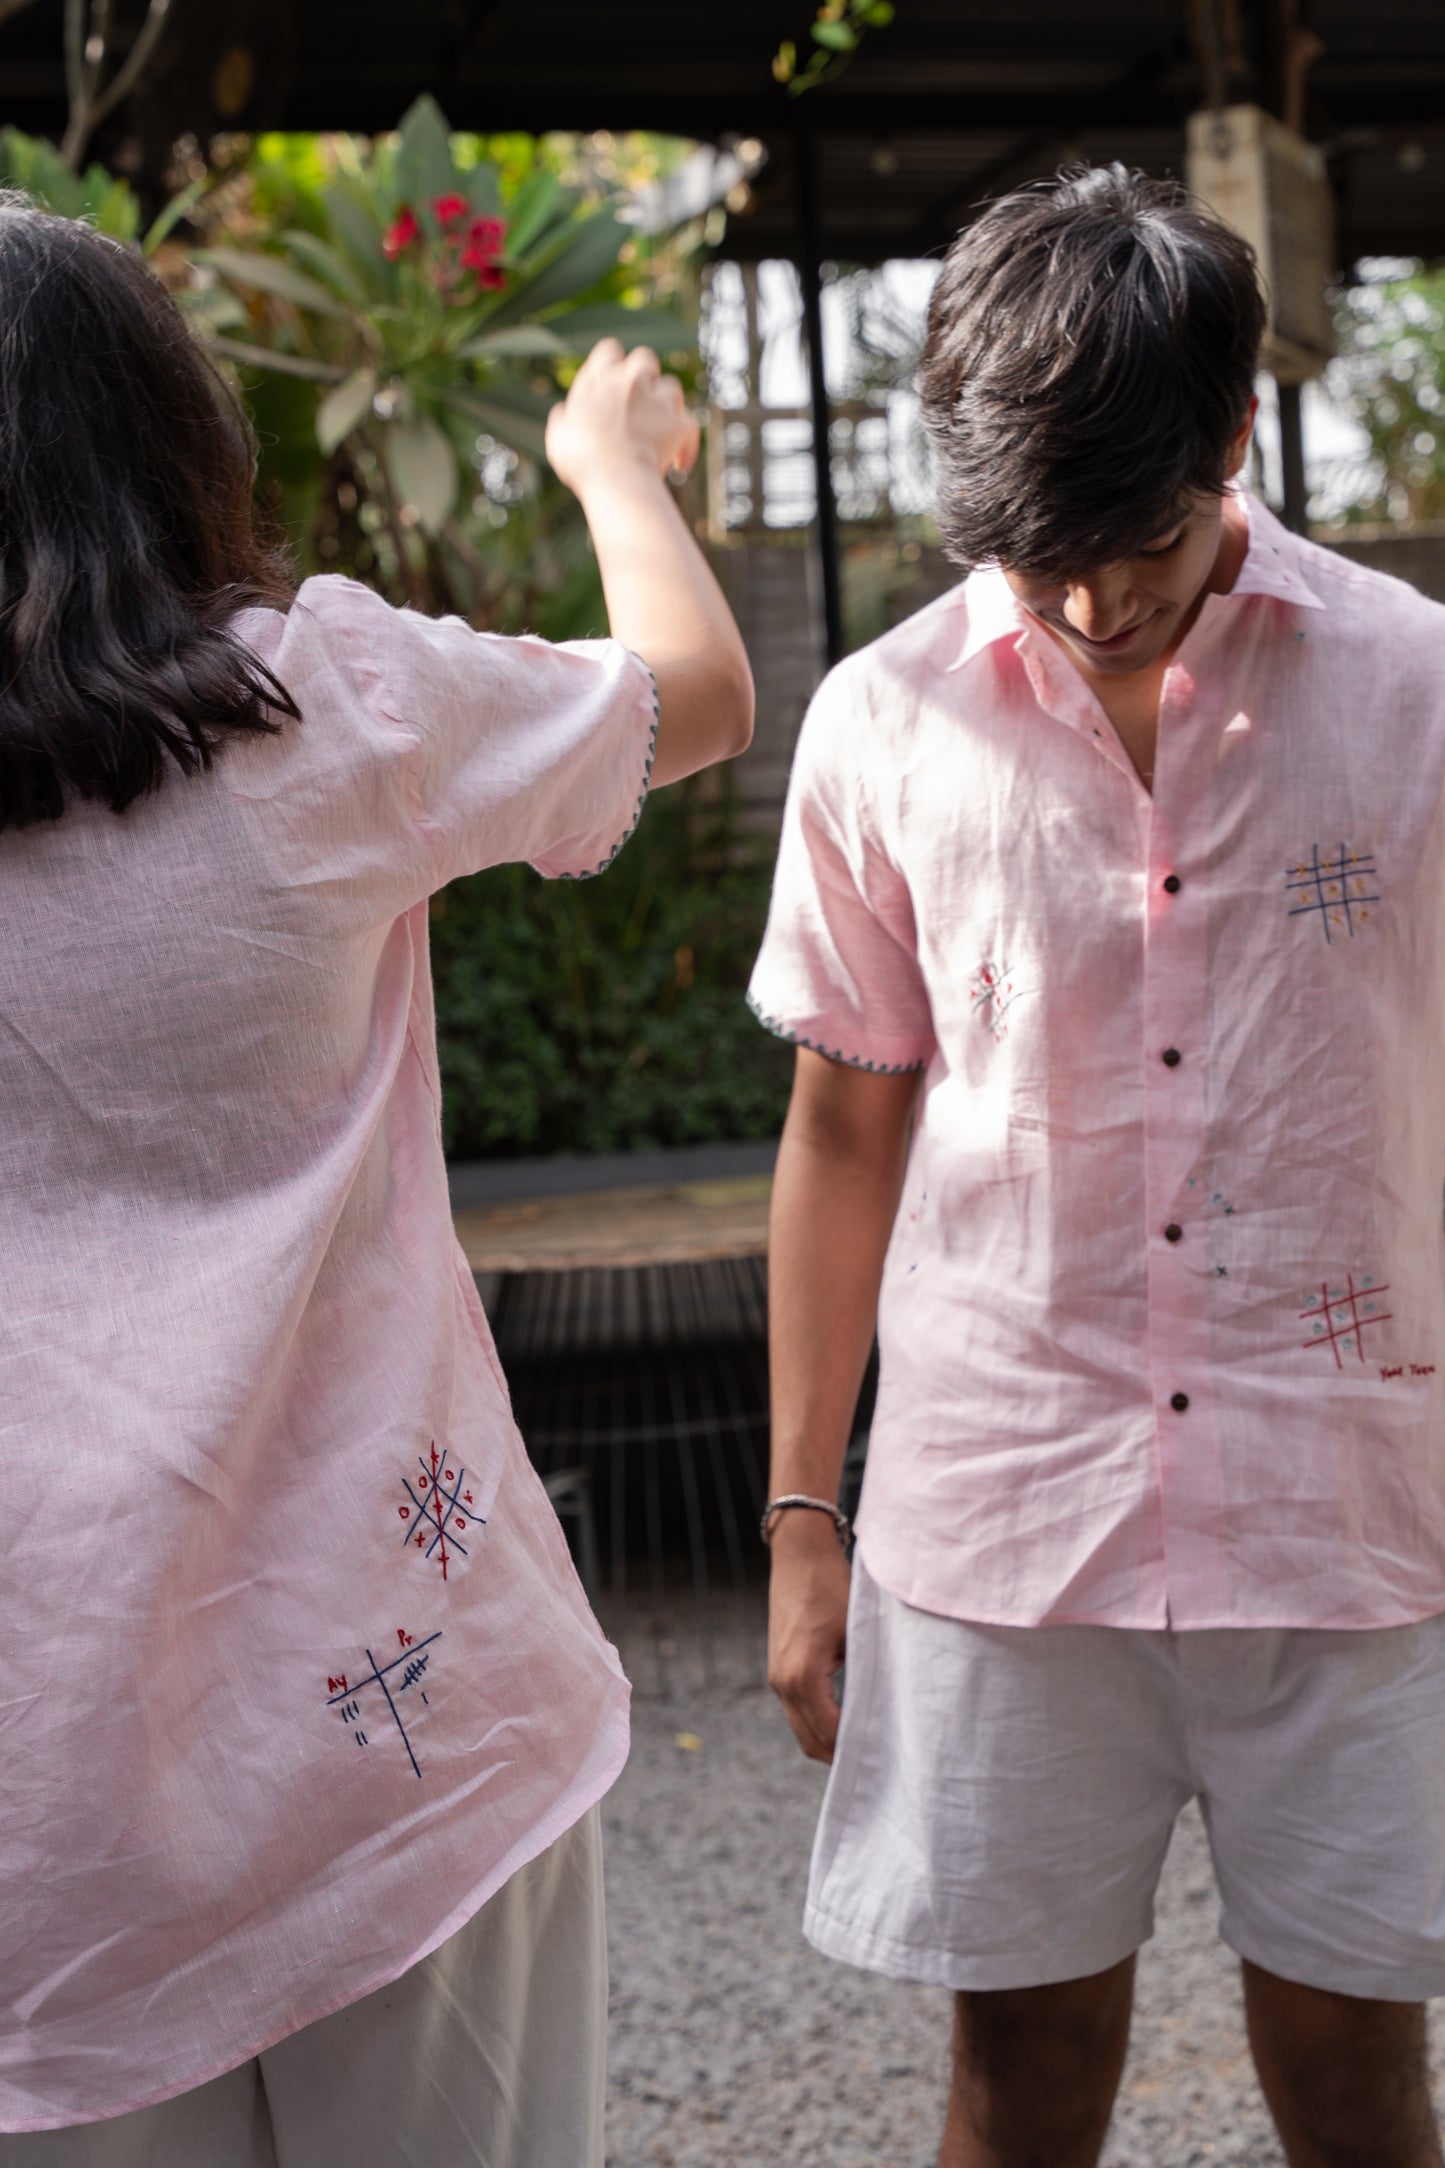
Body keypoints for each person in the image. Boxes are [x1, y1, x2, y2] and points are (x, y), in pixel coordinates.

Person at [0, 200, 751, 2165]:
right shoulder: (318, 705)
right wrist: (605, 465)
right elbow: (697, 685)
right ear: (172, 439)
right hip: (400, 1729)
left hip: (38, 1818)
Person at [752, 163, 1445, 2168]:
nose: (1085, 605)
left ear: (1239, 434)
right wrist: (807, 1515)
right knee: (1022, 2084)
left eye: (1127, 545)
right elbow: (845, 1120)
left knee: (1354, 2086)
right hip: (1003, 1514)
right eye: (1034, 557)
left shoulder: (1413, 692)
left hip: (1350, 1508)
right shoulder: (884, 722)